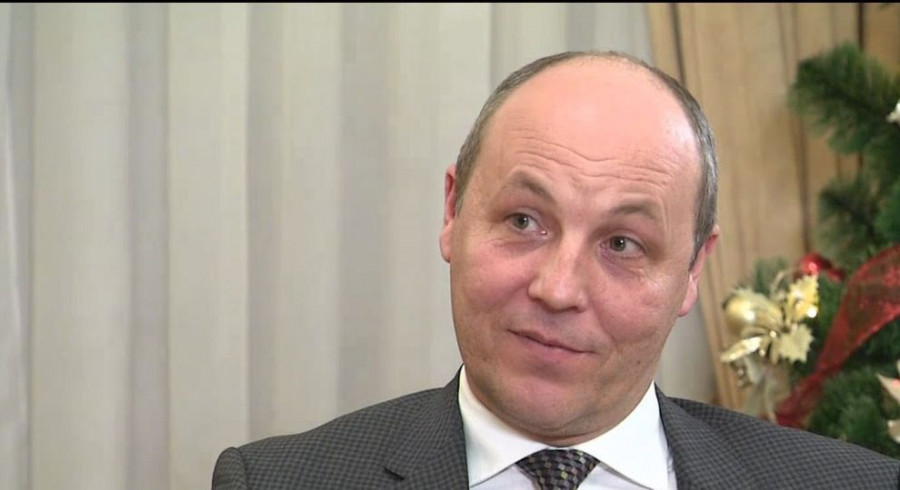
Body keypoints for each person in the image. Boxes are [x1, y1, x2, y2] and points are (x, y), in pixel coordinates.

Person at [212, 51, 900, 489]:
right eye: (523, 221)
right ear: (453, 211)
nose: (559, 289)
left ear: (693, 269)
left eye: (622, 244)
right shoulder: (275, 482)